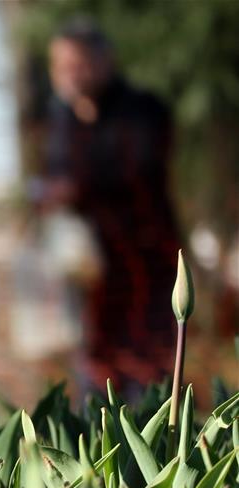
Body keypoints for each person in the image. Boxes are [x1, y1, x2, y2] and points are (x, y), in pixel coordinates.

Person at [38, 18, 181, 394]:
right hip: (89, 271)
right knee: (94, 371)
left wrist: (77, 188)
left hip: (143, 261)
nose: (67, 75)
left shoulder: (142, 111)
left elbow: (141, 167)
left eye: (76, 64)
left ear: (104, 62)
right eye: (60, 66)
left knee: (150, 370)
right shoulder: (60, 121)